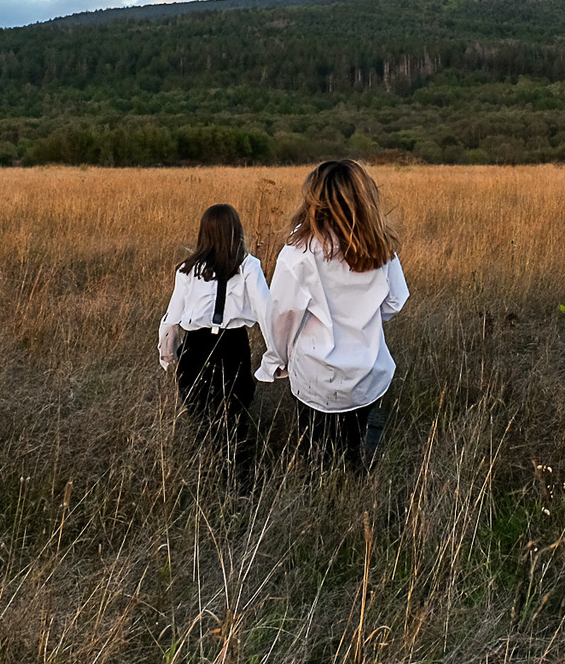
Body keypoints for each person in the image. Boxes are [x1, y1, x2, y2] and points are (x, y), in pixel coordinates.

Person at [259, 159, 408, 473]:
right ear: (365, 197)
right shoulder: (380, 245)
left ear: (314, 199)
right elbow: (394, 303)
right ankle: (357, 491)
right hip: (368, 373)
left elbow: (282, 317)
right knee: (356, 451)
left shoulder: (298, 251)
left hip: (314, 377)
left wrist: (277, 360)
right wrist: (363, 318)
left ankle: (326, 495)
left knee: (317, 457)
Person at [157, 203, 268, 491]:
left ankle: (208, 481)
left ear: (203, 233)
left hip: (195, 348)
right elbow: (266, 313)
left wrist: (168, 357)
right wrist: (277, 355)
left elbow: (171, 319)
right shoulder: (248, 266)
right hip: (232, 346)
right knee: (235, 418)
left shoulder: (188, 270)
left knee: (202, 419)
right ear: (236, 231)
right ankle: (239, 485)